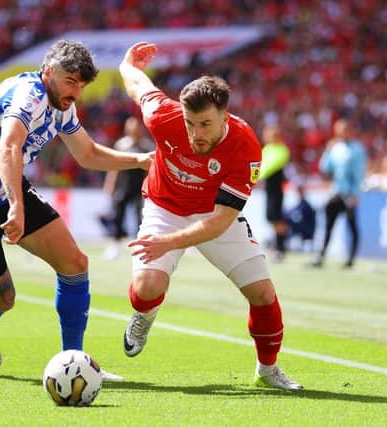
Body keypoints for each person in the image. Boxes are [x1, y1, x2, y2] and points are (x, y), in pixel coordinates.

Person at [0, 40, 151, 379]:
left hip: (5, 191)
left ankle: (74, 363)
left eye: (81, 85)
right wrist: (17, 206)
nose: (75, 91)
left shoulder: (63, 105)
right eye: (70, 81)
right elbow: (9, 147)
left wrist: (139, 160)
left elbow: (88, 154)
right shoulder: (28, 95)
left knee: (75, 263)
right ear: (48, 72)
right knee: (3, 299)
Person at [118, 41, 302, 390]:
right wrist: (130, 64)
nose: (196, 134)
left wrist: (169, 243)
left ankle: (267, 370)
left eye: (205, 124)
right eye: (190, 123)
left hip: (214, 215)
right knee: (146, 288)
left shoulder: (246, 147)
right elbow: (139, 86)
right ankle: (143, 315)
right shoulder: (163, 117)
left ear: (224, 116)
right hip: (164, 206)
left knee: (262, 293)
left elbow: (220, 221)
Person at [311, 119, 367, 268]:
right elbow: (325, 168)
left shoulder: (357, 149)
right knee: (329, 224)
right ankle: (320, 256)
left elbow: (359, 173)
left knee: (352, 225)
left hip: (350, 194)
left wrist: (356, 194)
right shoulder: (336, 148)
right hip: (337, 191)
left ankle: (351, 259)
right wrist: (327, 151)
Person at [99, 116, 154, 260]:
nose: (134, 130)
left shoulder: (147, 146)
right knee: (118, 216)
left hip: (140, 189)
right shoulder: (122, 145)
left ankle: (139, 246)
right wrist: (110, 184)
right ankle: (115, 245)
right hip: (123, 187)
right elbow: (114, 167)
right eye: (132, 127)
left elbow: (151, 169)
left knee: (140, 218)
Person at [258, 125, 290, 261]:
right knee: (271, 217)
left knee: (277, 218)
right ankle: (278, 246)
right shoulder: (267, 149)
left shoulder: (282, 150)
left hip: (277, 189)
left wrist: (256, 176)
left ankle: (281, 248)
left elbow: (269, 167)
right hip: (269, 189)